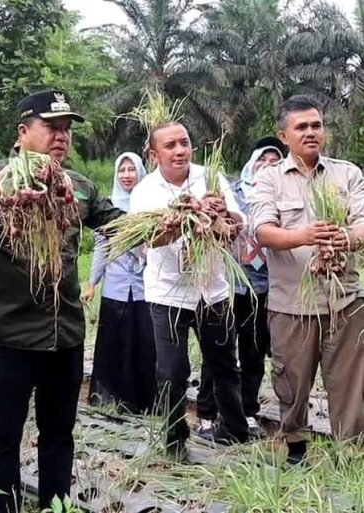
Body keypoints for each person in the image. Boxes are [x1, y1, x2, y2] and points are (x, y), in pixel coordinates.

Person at [0, 90, 123, 513]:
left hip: (65, 334)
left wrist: (172, 222)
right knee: (5, 436)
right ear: (23, 132)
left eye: (67, 129)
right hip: (10, 334)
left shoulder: (78, 186)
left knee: (59, 434)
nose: (62, 137)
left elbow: (118, 225)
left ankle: (54, 506)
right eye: (51, 127)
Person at [249, 95, 364, 465]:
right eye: (301, 127)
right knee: (292, 381)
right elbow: (264, 231)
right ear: (284, 135)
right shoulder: (268, 179)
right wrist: (307, 236)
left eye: (316, 125)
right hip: (291, 303)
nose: (311, 132)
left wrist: (344, 239)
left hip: (344, 298)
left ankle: (350, 451)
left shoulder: (347, 173)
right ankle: (296, 446)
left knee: (350, 382)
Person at [129, 121, 249, 460]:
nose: (180, 150)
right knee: (172, 371)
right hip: (167, 295)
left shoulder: (210, 178)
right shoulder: (146, 192)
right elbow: (146, 241)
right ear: (154, 154)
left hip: (212, 290)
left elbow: (238, 224)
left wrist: (222, 214)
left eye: (184, 143)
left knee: (224, 363)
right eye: (171, 146)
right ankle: (173, 438)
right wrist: (178, 222)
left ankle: (235, 430)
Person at [196, 137, 284, 441]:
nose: (268, 166)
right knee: (218, 350)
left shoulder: (281, 197)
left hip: (263, 285)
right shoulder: (230, 192)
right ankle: (207, 414)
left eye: (275, 163)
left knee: (254, 351)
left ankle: (247, 410)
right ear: (252, 162)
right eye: (263, 160)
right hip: (228, 284)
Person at [81, 152, 156, 413]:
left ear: (140, 172)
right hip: (115, 285)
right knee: (113, 342)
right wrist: (92, 282)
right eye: (121, 170)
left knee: (142, 343)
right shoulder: (107, 207)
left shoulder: (151, 207)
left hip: (146, 286)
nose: (126, 175)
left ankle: (143, 400)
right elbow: (101, 248)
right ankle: (109, 397)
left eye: (131, 169)